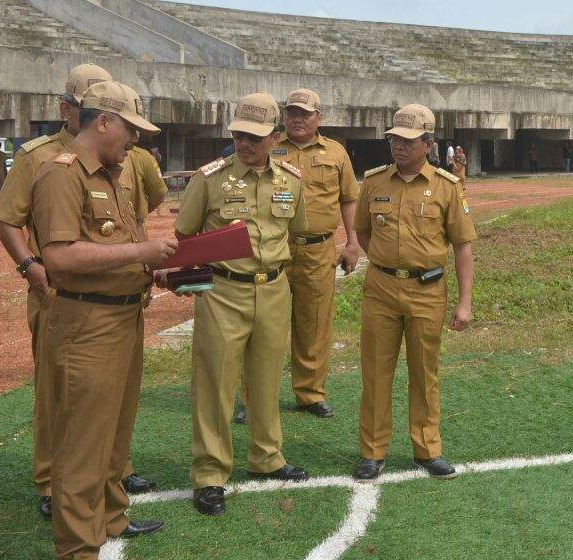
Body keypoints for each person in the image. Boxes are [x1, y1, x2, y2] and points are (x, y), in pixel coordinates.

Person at [0, 63, 157, 520]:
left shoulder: (122, 159)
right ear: (80, 111)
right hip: (65, 297)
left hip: (119, 300)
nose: (133, 138)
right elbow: (9, 219)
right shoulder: (46, 161)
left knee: (110, 403)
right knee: (62, 399)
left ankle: (112, 482)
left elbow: (134, 221)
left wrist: (145, 265)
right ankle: (54, 483)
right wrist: (30, 267)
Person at [31, 80, 175, 559]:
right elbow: (59, 258)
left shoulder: (114, 174)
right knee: (82, 445)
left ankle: (112, 517)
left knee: (114, 433)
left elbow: (113, 246)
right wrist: (142, 252)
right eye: (130, 129)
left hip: (123, 319)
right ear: (105, 122)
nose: (135, 140)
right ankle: (78, 547)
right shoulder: (62, 174)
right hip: (86, 325)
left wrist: (155, 269)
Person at [175, 92, 311, 518]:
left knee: (266, 378)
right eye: (239, 135)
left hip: (273, 289)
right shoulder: (209, 179)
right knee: (215, 383)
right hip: (223, 292)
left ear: (275, 136)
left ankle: (267, 457)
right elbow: (184, 233)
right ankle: (210, 474)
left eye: (254, 136)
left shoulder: (291, 180)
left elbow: (296, 232)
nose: (245, 143)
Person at [352, 103, 476, 482]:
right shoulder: (374, 183)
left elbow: (463, 247)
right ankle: (373, 451)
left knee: (424, 372)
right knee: (376, 372)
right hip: (381, 290)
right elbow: (362, 232)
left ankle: (427, 449)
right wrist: (387, 264)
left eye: (408, 141)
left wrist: (465, 302)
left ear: (428, 144)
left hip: (427, 291)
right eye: (394, 140)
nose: (399, 147)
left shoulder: (447, 187)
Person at [269, 88, 360, 420]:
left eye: (305, 114)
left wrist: (352, 243)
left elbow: (349, 199)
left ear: (319, 117)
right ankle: (257, 398)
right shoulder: (269, 147)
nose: (297, 119)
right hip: (273, 248)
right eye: (292, 112)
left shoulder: (335, 153)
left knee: (315, 324)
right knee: (265, 324)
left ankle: (310, 393)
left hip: (319, 250)